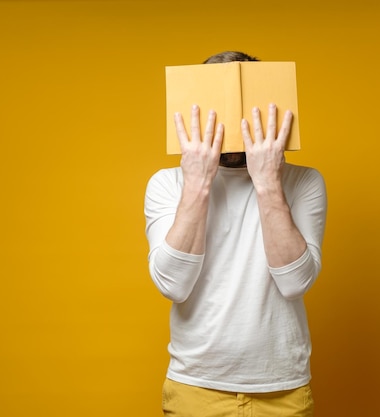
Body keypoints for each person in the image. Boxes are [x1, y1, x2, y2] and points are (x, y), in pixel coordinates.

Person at [144, 51, 327, 417]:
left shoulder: (305, 181)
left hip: (283, 390)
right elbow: (172, 285)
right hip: (195, 388)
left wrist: (268, 182)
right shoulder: (167, 183)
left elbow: (294, 282)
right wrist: (197, 182)